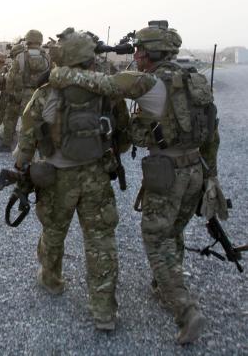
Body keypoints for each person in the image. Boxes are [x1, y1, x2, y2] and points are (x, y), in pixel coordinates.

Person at [48, 20, 227, 344]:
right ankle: (162, 287)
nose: (137, 56)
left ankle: (186, 310)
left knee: (155, 241)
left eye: (140, 51)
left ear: (151, 54)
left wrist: (59, 74)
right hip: (195, 169)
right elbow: (213, 132)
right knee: (173, 232)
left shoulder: (150, 83)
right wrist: (211, 176)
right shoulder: (195, 79)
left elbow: (104, 83)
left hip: (168, 172)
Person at [15, 28, 155, 331]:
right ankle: (103, 311)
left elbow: (27, 136)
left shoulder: (46, 91)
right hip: (95, 175)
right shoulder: (106, 90)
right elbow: (123, 133)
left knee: (53, 231)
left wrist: (22, 166)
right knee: (101, 240)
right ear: (88, 58)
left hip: (55, 176)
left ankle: (51, 280)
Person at [6, 30, 50, 116]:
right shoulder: (46, 57)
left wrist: (10, 93)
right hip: (42, 94)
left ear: (27, 40)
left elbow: (10, 77)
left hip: (24, 94)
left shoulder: (20, 56)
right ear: (40, 40)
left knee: (25, 120)